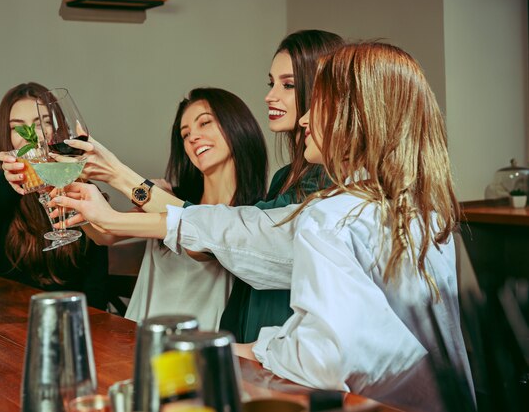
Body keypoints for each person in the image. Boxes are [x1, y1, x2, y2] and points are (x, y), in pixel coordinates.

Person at [54, 42, 474, 411]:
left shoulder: (329, 215)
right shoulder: (423, 212)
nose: (305, 117)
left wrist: (231, 353)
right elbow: (254, 234)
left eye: (313, 99)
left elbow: (324, 358)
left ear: (358, 115)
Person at [62, 30, 344, 342]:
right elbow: (109, 233)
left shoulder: (306, 189)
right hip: (237, 347)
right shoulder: (279, 180)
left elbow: (212, 235)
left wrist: (120, 177)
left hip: (259, 350)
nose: (270, 95)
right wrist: (77, 191)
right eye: (185, 133)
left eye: (288, 85)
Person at [82, 87, 268, 330]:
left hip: (203, 351)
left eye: (205, 123)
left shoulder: (254, 215)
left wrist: (126, 181)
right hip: (141, 343)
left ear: (237, 125)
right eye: (185, 133)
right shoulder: (169, 199)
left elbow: (199, 232)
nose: (193, 137)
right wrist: (72, 186)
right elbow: (103, 234)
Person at [0, 82, 112, 310]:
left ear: (57, 130)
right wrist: (13, 178)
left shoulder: (84, 191)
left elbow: (96, 286)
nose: (31, 136)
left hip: (75, 321)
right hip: (11, 326)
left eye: (42, 124)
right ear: (7, 136)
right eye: (16, 127)